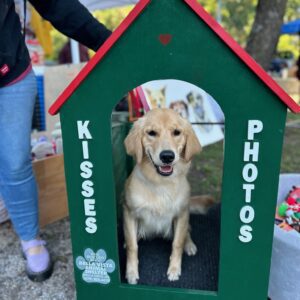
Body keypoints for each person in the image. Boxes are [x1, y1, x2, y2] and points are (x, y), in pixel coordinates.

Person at [0, 0, 111, 282]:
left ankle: (30, 238)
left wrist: (110, 43)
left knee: (14, 161)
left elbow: (58, 5)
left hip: (10, 72)